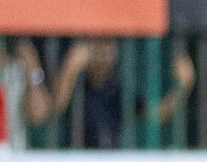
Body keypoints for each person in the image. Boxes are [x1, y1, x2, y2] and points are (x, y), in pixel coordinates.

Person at [31, 36, 195, 148]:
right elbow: (56, 106)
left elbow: (156, 114)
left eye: (109, 45)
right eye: (97, 44)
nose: (104, 51)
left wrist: (182, 86)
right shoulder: (77, 82)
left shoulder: (117, 87)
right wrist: (71, 67)